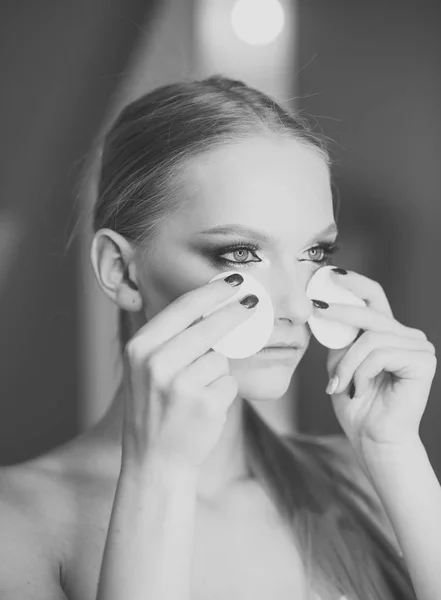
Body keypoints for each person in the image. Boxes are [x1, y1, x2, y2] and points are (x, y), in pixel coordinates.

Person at [0, 75, 439, 600]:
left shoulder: (363, 479)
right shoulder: (16, 524)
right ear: (120, 270)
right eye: (239, 254)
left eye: (316, 254)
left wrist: (393, 451)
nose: (298, 306)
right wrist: (157, 474)